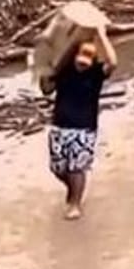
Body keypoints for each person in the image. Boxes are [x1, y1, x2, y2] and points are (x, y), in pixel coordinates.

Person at [47, 28, 117, 220]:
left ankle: (75, 203)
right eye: (82, 53)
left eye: (89, 55)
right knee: (58, 168)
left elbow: (113, 63)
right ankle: (73, 191)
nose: (84, 60)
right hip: (59, 125)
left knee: (77, 168)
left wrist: (101, 35)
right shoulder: (64, 71)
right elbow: (46, 87)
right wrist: (73, 40)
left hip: (83, 128)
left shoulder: (95, 74)